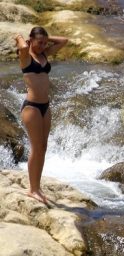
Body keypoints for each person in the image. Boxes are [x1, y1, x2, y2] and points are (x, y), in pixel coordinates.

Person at [15, 27, 68, 205]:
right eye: (40, 42)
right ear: (31, 40)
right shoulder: (25, 56)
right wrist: (20, 37)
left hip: (45, 106)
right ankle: (32, 189)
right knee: (36, 147)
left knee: (43, 148)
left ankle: (37, 186)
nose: (43, 46)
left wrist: (45, 38)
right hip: (32, 107)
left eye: (45, 43)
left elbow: (64, 41)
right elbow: (23, 48)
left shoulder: (44, 54)